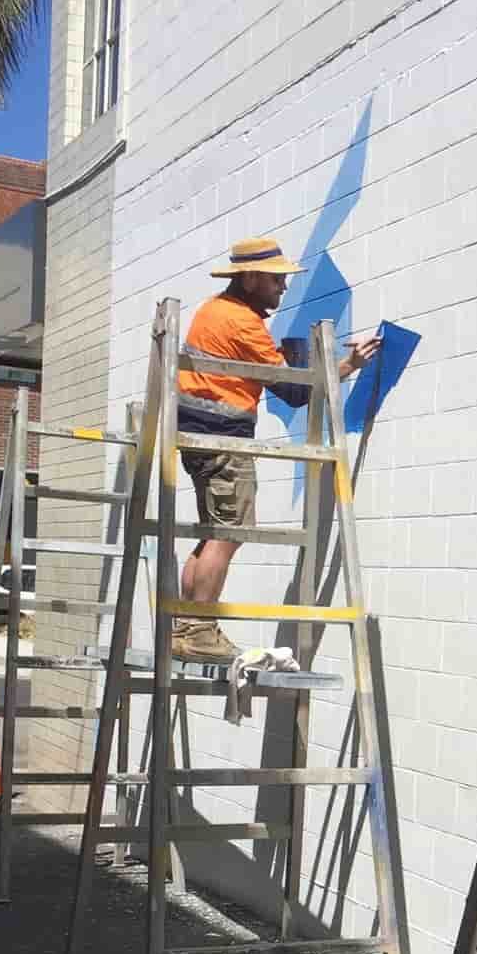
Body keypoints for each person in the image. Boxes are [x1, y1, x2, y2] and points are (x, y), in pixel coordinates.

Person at [173, 235, 380, 664]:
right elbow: (295, 392)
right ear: (249, 278)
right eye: (275, 280)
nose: (283, 288)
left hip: (199, 437)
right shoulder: (242, 322)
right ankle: (199, 631)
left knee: (213, 532)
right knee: (229, 532)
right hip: (223, 439)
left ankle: (185, 628)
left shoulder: (212, 310)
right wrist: (348, 365)